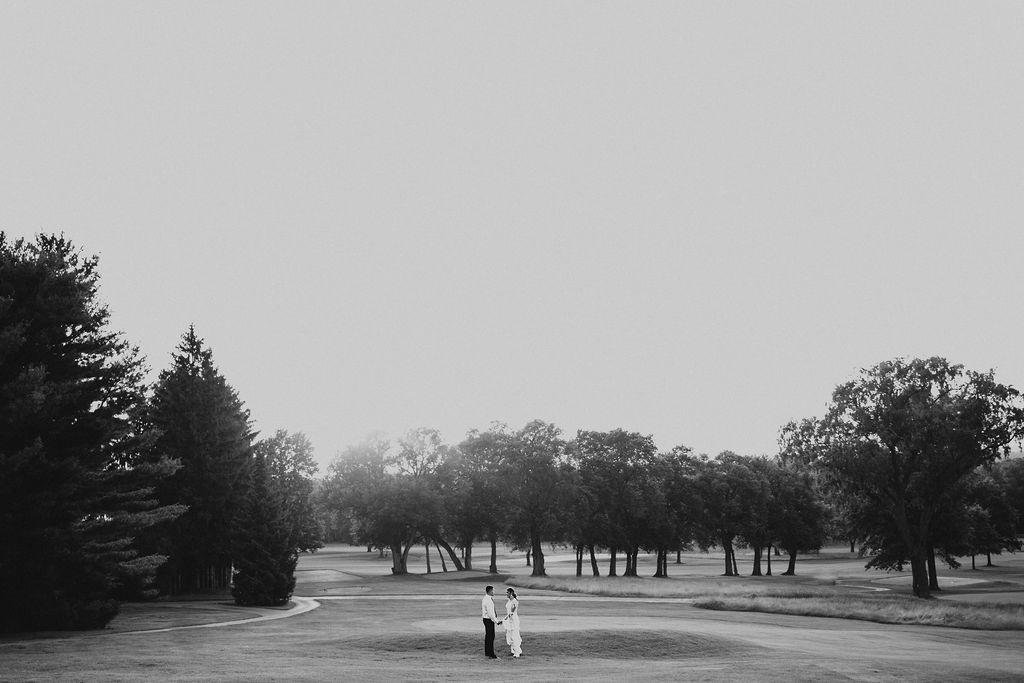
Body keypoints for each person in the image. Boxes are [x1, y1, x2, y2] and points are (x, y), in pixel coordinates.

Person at [481, 585, 502, 659]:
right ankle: (491, 655)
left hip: (486, 619)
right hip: (489, 620)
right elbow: (491, 614)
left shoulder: (485, 598)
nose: (494, 592)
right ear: (490, 591)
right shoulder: (488, 600)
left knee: (488, 636)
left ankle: (487, 653)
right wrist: (497, 621)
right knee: (491, 637)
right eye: (493, 590)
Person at [503, 587, 522, 658]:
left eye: (507, 593)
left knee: (514, 636)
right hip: (509, 619)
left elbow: (512, 613)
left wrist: (505, 618)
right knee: (510, 636)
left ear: (511, 593)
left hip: (513, 620)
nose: (506, 594)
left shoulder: (514, 601)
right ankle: (513, 650)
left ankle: (517, 653)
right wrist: (506, 619)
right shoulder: (509, 601)